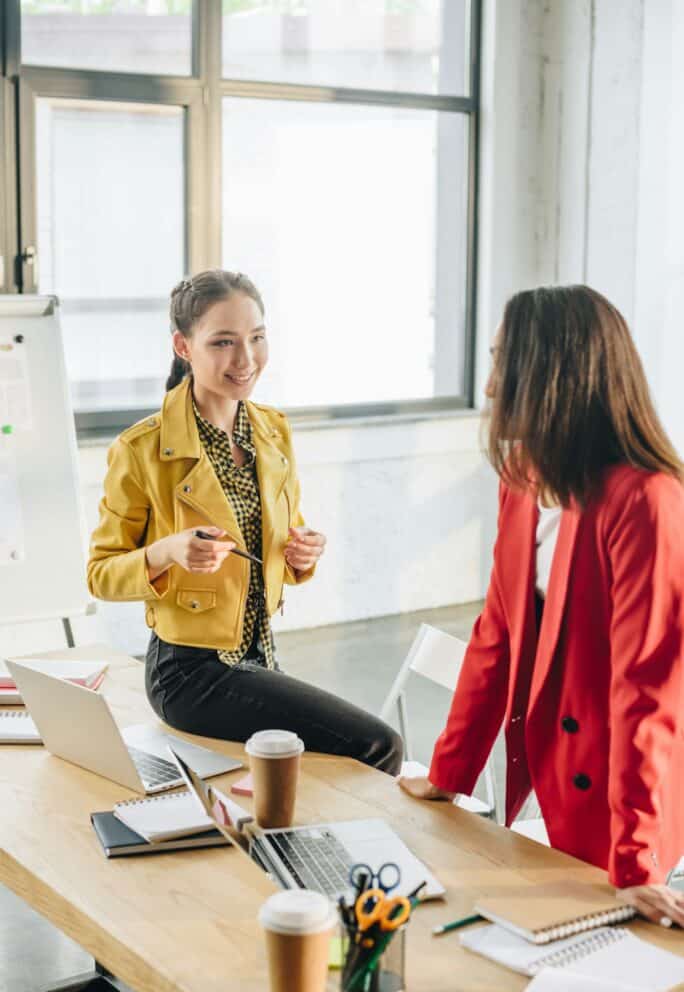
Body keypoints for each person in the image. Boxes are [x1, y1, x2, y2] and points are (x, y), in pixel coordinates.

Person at [400, 284, 684, 926]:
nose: (492, 387)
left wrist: (636, 860)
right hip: (553, 767)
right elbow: (497, 634)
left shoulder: (647, 500)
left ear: (555, 377)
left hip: (624, 794)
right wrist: (449, 771)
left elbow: (647, 690)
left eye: (505, 364)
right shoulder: (523, 481)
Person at [87, 269, 402, 775]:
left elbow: (284, 537)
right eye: (224, 342)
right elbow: (99, 573)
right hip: (190, 671)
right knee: (378, 745)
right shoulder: (141, 449)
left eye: (257, 338)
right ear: (183, 346)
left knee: (321, 765)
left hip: (258, 657)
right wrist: (167, 551)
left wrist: (303, 552)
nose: (246, 359)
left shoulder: (272, 430)